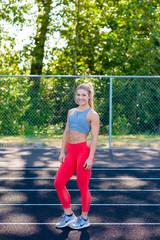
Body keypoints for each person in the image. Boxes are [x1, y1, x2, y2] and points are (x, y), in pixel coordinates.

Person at [54, 82, 100, 230]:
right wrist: (62, 151)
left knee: (82, 185)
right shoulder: (71, 112)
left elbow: (94, 138)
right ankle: (68, 215)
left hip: (83, 153)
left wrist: (90, 157)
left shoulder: (93, 114)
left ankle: (84, 218)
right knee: (58, 183)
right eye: (78, 95)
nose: (80, 97)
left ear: (89, 96)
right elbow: (66, 132)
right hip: (71, 152)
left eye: (83, 95)